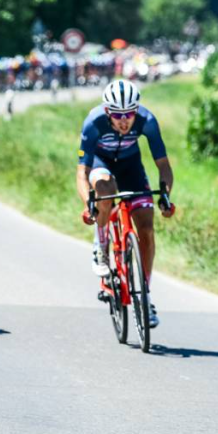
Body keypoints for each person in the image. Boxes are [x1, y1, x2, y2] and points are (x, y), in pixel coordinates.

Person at [78, 80, 175, 327]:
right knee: (105, 188)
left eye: (129, 114)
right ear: (107, 111)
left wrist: (165, 196)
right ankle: (101, 245)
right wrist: (89, 203)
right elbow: (82, 172)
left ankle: (145, 296)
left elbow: (163, 165)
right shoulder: (93, 122)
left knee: (146, 228)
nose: (124, 120)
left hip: (131, 166)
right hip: (102, 164)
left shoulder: (147, 121)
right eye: (118, 115)